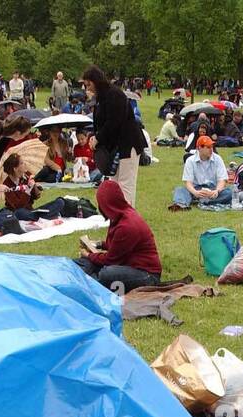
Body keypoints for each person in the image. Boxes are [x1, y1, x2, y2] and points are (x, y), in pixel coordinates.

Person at [75, 179, 161, 293]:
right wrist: (98, 244)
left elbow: (111, 260)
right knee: (87, 263)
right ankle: (84, 276)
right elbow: (117, 246)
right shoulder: (119, 215)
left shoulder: (127, 225)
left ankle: (84, 282)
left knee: (107, 273)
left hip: (146, 275)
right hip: (127, 264)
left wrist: (88, 255)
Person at [81, 65, 148, 206]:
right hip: (114, 147)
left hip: (128, 144)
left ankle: (128, 219)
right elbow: (100, 122)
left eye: (89, 84)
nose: (88, 88)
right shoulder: (101, 97)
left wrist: (98, 138)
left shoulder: (114, 94)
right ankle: (118, 216)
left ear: (96, 80)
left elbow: (114, 122)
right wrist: (94, 136)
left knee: (125, 185)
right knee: (115, 185)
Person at [170, 136, 231, 209]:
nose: (211, 149)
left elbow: (222, 180)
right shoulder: (190, 161)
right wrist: (195, 192)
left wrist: (216, 191)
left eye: (211, 147)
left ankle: (201, 201)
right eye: (208, 147)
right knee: (180, 189)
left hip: (212, 189)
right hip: (196, 189)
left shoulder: (218, 159)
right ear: (199, 148)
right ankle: (181, 204)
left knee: (228, 192)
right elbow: (188, 183)